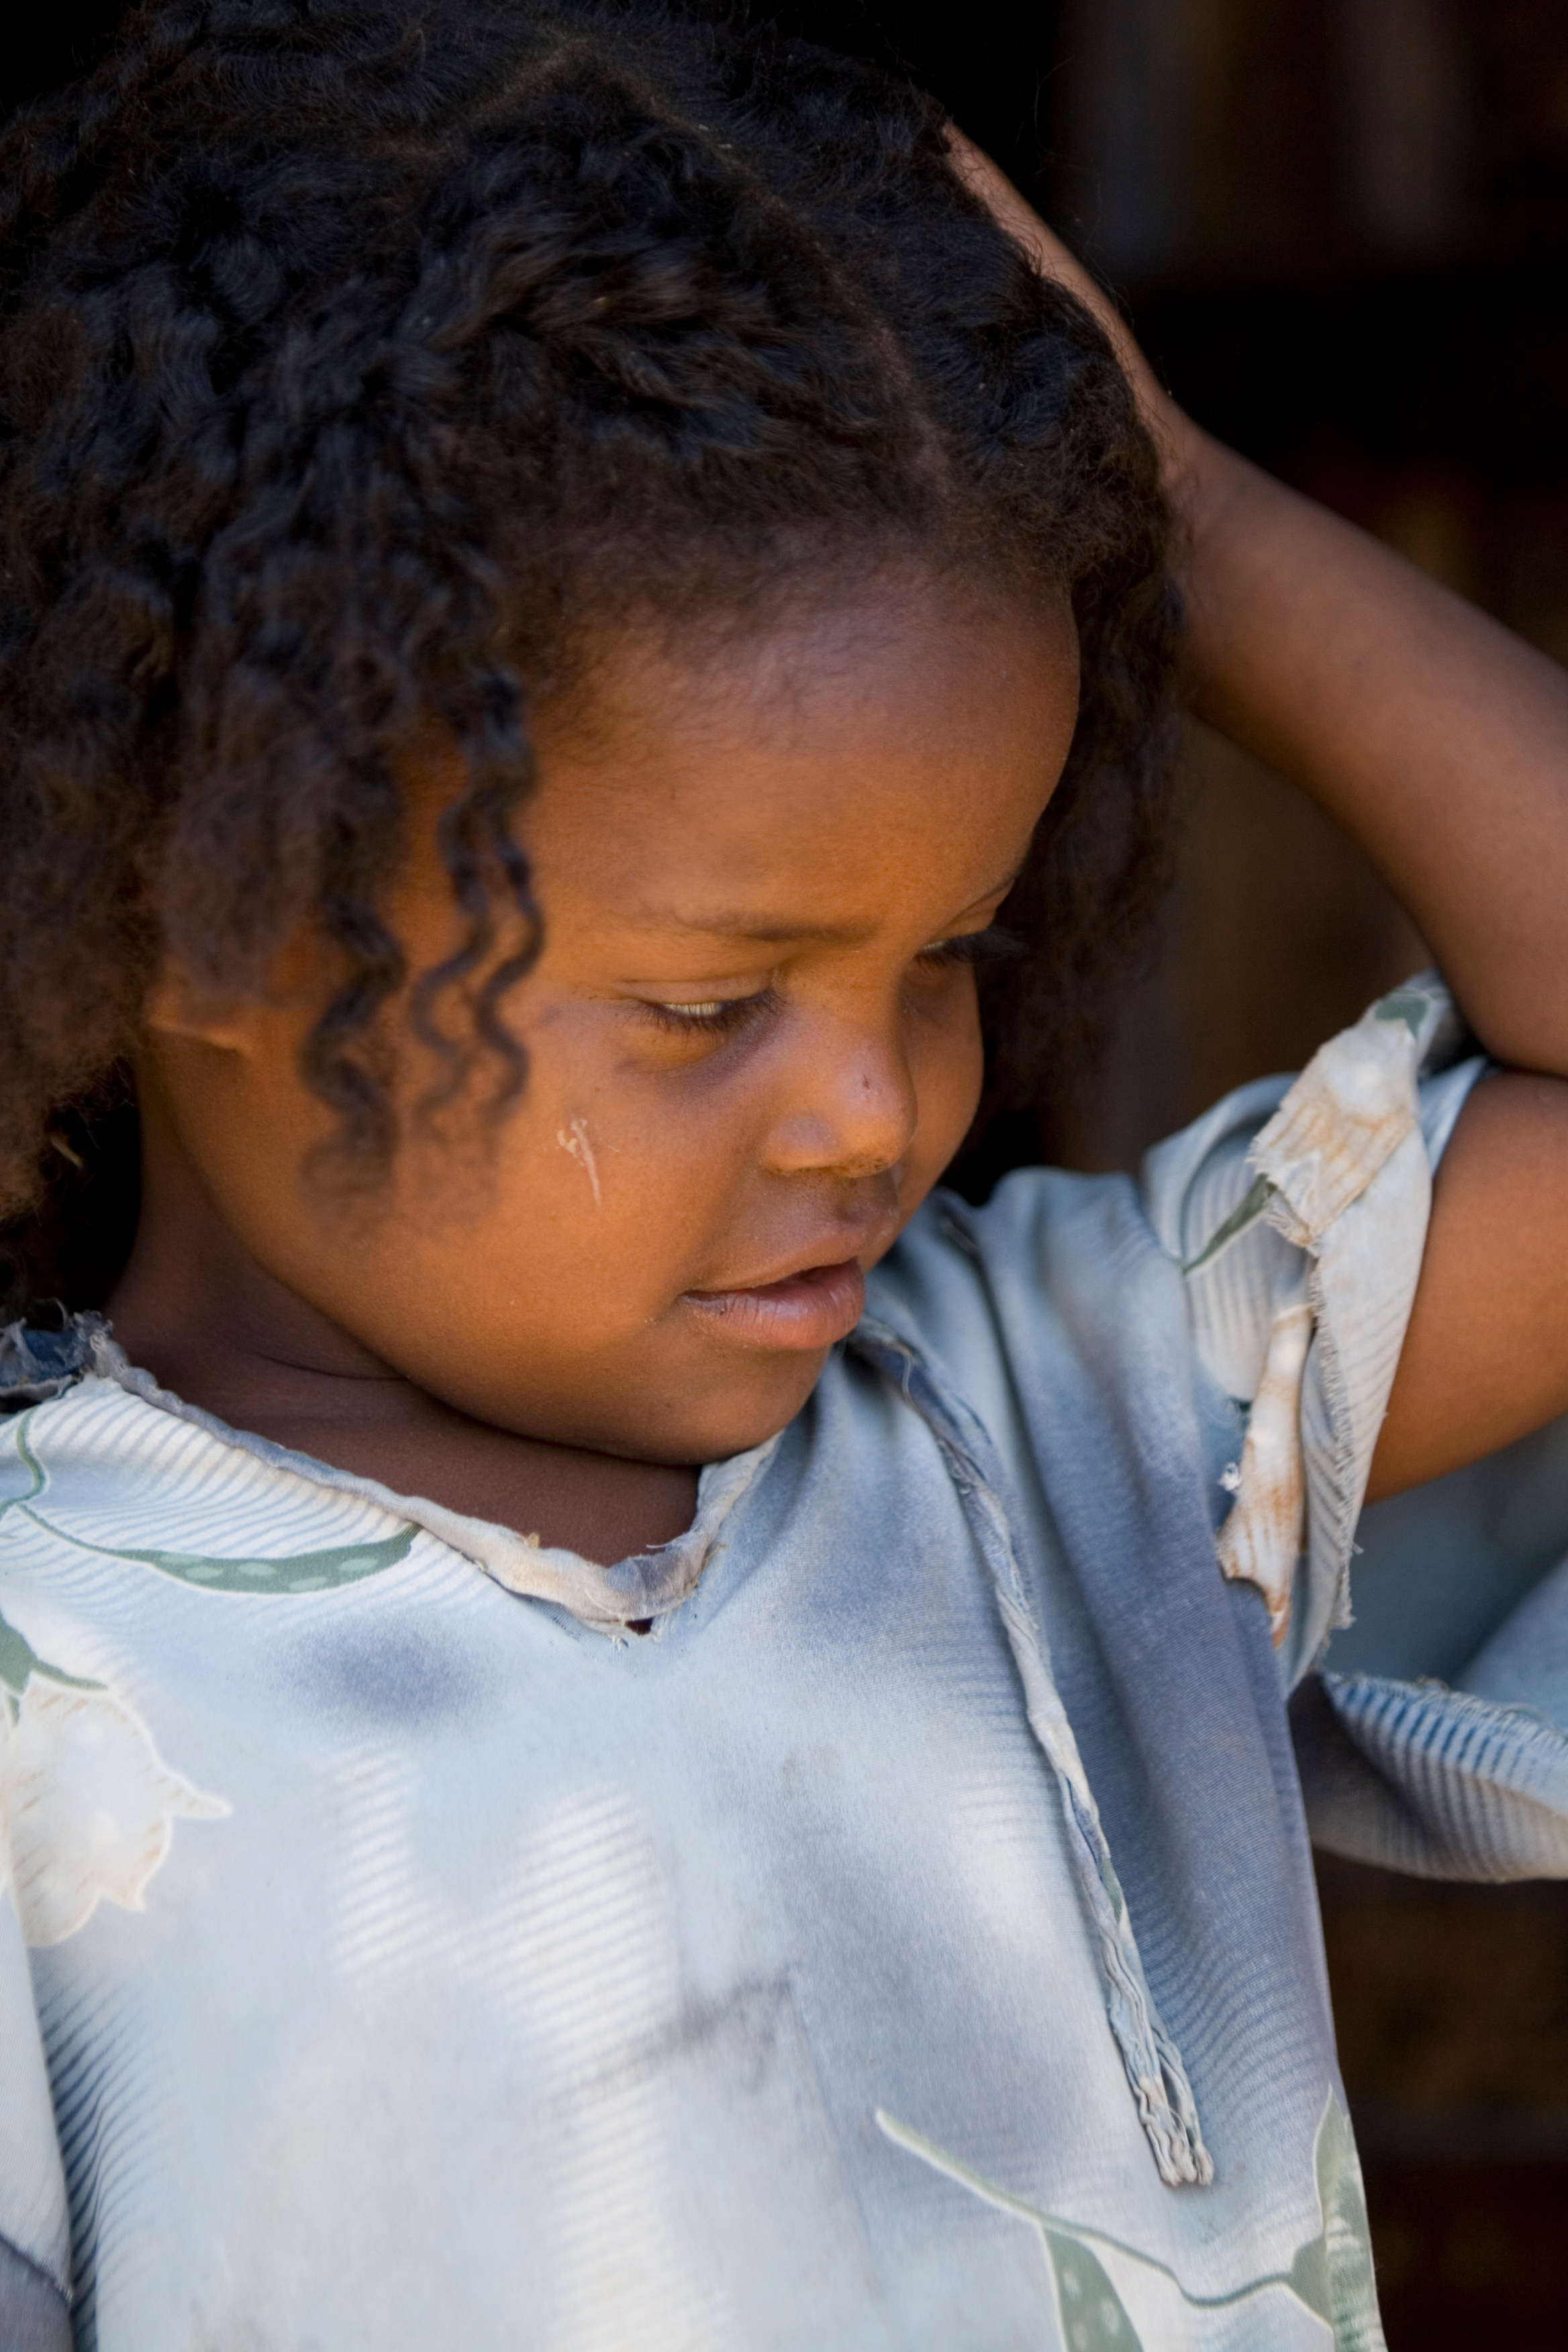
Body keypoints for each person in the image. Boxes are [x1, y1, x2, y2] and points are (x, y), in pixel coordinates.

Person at [3, 3, 1568, 2345]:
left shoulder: (1083, 1428)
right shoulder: (53, 1699)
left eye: (945, 956)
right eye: (709, 1006)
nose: (877, 1112)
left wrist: (1200, 524)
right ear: (210, 909)